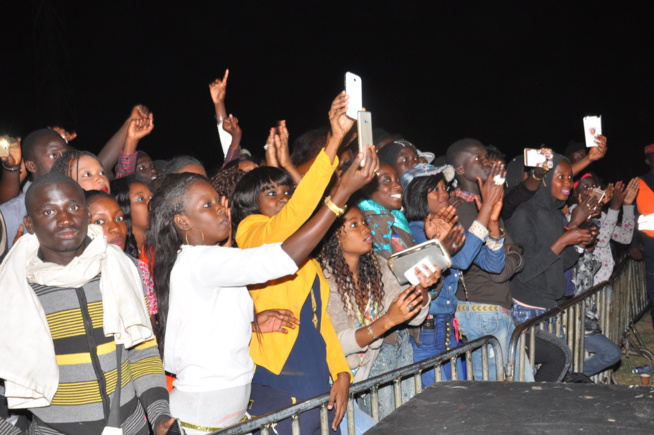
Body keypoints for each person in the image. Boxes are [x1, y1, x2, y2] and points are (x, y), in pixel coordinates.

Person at [232, 92, 376, 434]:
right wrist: (334, 142)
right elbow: (295, 215)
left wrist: (341, 373)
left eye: (286, 192)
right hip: (278, 377)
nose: (283, 198)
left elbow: (320, 319)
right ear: (249, 204)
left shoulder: (305, 258)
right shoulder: (249, 234)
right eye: (271, 194)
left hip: (317, 376)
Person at [0, 173, 174, 434]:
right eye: (48, 210)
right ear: (30, 223)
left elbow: (142, 351)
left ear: (85, 211)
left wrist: (160, 415)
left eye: (73, 207)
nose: (65, 219)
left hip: (132, 426)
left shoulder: (120, 268)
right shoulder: (13, 288)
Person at [319, 205, 436, 423]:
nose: (365, 229)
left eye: (364, 222)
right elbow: (337, 343)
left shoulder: (377, 267)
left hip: (362, 378)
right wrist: (388, 320)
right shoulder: (325, 278)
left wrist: (421, 286)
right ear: (333, 237)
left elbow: (414, 315)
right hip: (328, 384)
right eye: (354, 225)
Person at [403, 162, 514, 381]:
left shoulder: (449, 226)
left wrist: (492, 224)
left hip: (448, 327)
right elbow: (462, 260)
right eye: (435, 189)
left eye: (444, 187)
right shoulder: (416, 230)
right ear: (417, 195)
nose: (444, 193)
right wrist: (484, 210)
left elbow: (493, 264)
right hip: (427, 330)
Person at [506, 152, 598, 381]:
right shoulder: (522, 212)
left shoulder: (555, 215)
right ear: (545, 179)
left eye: (570, 177)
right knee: (539, 376)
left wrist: (578, 245)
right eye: (561, 177)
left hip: (549, 306)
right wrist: (564, 241)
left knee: (554, 373)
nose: (568, 183)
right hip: (526, 308)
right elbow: (526, 270)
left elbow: (560, 263)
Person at [0, 129, 72, 257]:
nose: (63, 160)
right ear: (32, 167)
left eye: (66, 154)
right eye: (53, 155)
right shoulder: (17, 211)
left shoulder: (85, 197)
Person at [86, 190, 158, 317]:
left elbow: (151, 326)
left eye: (119, 218)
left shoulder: (138, 269)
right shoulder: (74, 276)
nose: (116, 228)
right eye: (99, 222)